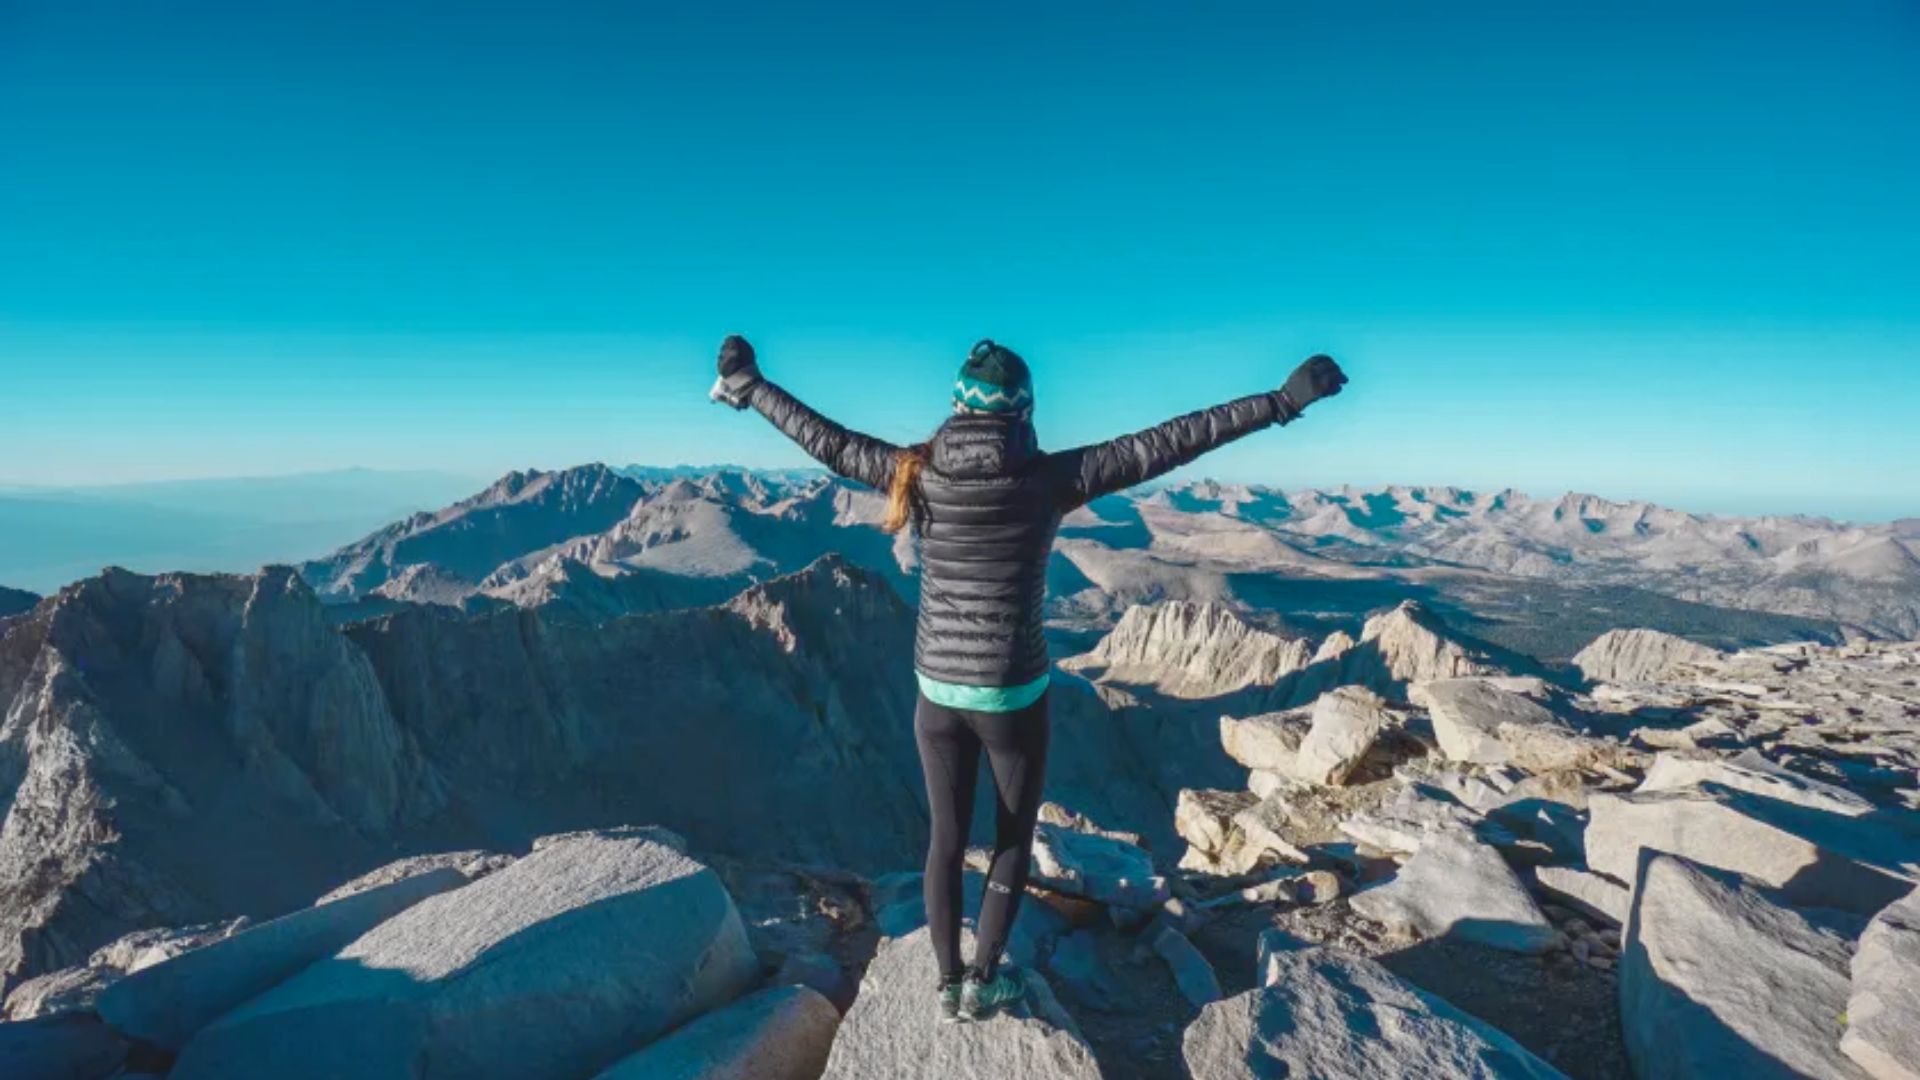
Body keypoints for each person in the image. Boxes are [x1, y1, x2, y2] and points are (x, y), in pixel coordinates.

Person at [711, 336, 1348, 1022]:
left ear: (958, 408)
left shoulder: (914, 473)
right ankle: (985, 979)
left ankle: (949, 983)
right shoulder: (1052, 478)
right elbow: (1170, 442)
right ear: (1024, 412)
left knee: (946, 841)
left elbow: (825, 440)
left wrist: (751, 386)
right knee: (1012, 837)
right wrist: (1280, 402)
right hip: (1012, 694)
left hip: (938, 693)